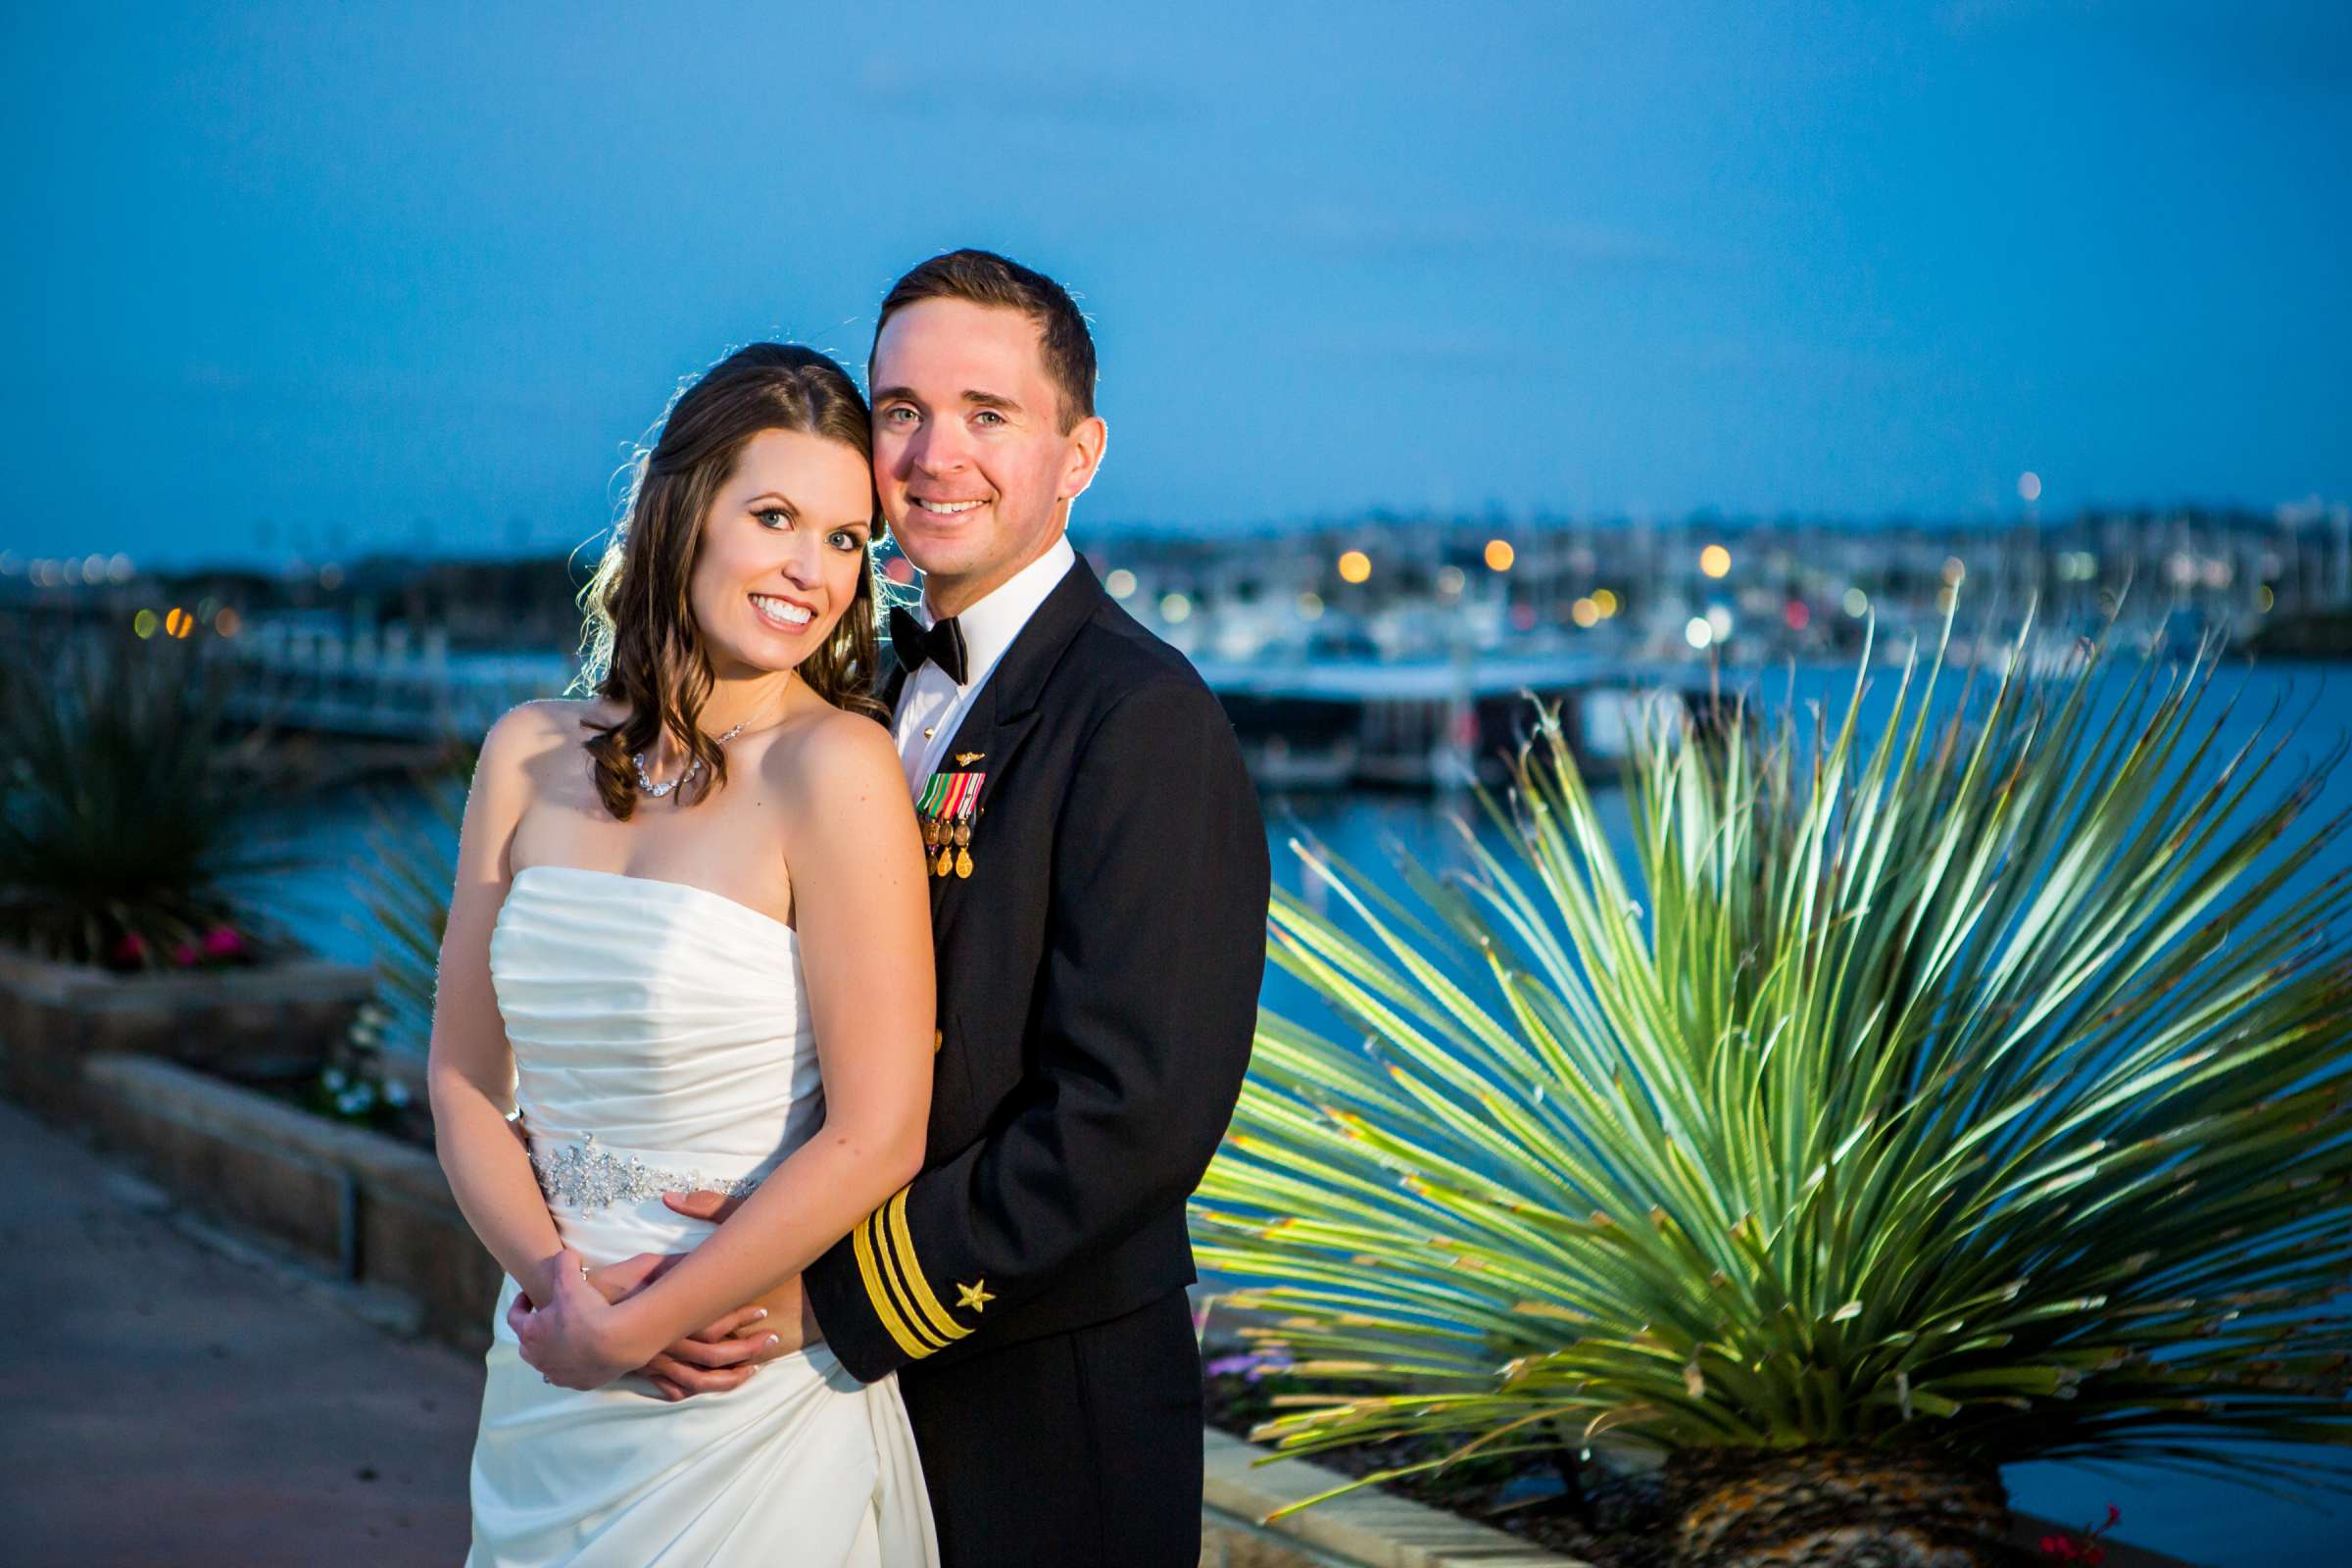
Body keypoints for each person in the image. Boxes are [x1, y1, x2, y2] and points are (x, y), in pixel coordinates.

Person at [631, 250, 1272, 1566]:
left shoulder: (1141, 717)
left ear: (1078, 453)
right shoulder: (840, 698)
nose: (933, 455)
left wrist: (830, 1302)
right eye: (902, 409)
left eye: (989, 415)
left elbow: (1130, 1121)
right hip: (814, 1403)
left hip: (1039, 1406)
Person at [429, 344, 941, 1565]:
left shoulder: (837, 768)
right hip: (547, 1364)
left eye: (845, 538)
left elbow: (881, 1131)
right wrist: (568, 1298)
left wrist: (656, 1317)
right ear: (681, 510)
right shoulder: (525, 751)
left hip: (737, 1392)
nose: (812, 573)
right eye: (775, 516)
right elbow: (460, 1081)